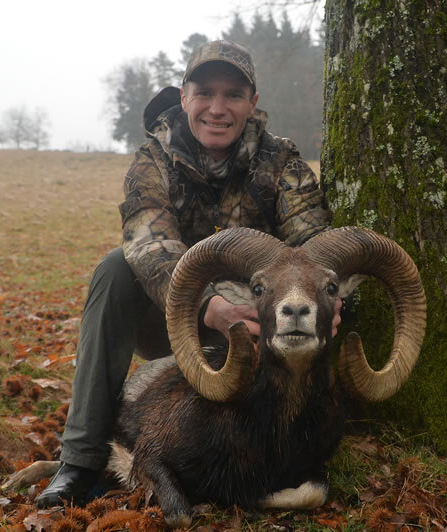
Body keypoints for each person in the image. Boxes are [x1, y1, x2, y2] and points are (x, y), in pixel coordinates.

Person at [36, 40, 339, 508]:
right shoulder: (152, 160)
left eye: (233, 95)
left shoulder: (282, 164)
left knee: (311, 308)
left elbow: (314, 245)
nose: (218, 108)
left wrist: (329, 301)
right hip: (174, 315)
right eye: (205, 93)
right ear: (183, 96)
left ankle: (293, 448)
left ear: (252, 103)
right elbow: (148, 244)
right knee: (115, 268)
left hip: (265, 318)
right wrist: (209, 305)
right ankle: (79, 458)